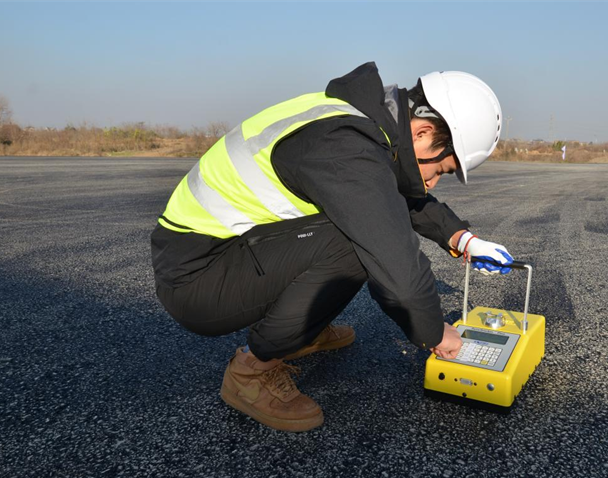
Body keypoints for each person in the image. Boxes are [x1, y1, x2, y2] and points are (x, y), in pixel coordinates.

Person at [150, 63, 513, 431]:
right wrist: (436, 333)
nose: (432, 183)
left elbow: (391, 192)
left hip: (221, 252)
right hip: (198, 278)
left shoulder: (356, 125)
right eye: (441, 170)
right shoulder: (346, 148)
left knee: (365, 223)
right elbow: (398, 268)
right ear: (422, 132)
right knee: (361, 242)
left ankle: (301, 330)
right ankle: (251, 371)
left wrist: (462, 238)